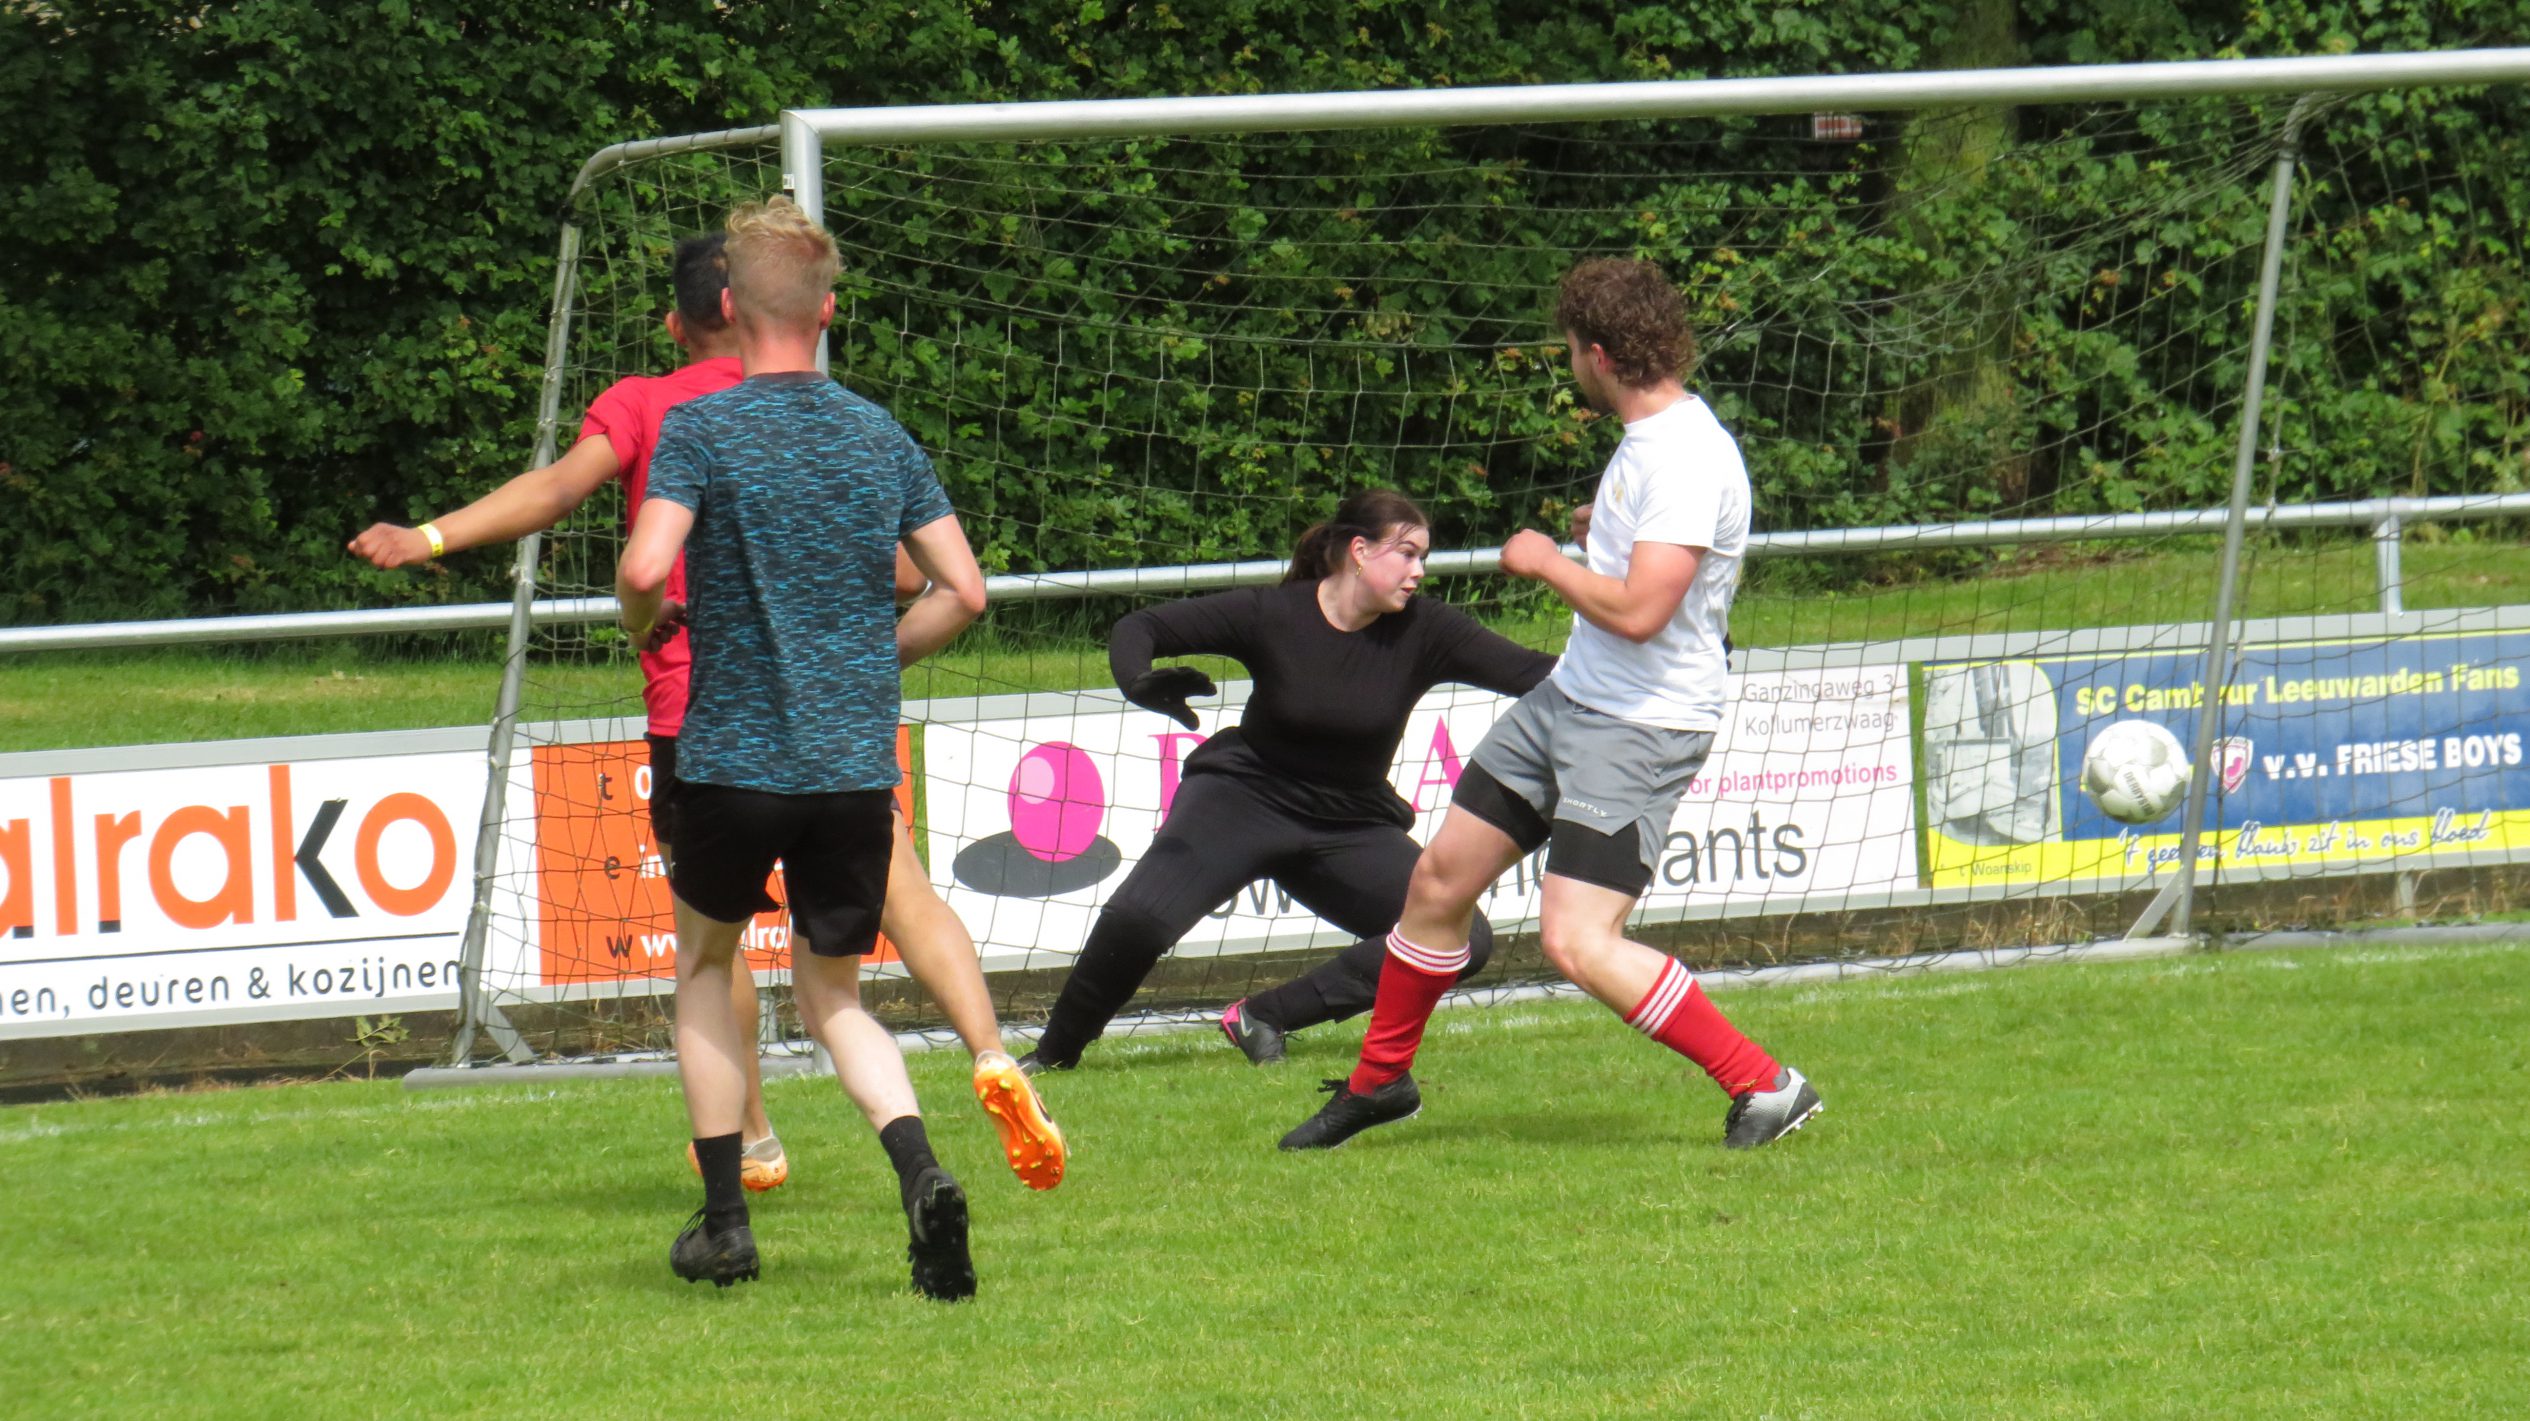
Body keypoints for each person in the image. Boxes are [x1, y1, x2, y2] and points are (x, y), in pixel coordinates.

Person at [347, 233, 1060, 1202]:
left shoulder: (663, 410)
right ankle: (988, 1052)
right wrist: (856, 649)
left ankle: (749, 1139)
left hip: (711, 719)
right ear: (819, 308)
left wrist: (431, 535)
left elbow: (562, 496)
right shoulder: (858, 425)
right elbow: (918, 576)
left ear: (687, 318)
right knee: (896, 915)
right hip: (840, 721)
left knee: (710, 952)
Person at [1280, 259, 1821, 1153]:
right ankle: (1380, 1082)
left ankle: (1767, 1083)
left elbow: (1643, 614)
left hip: (1640, 724)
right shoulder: (1650, 442)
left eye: (1571, 349)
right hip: (1571, 697)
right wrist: (1600, 536)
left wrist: (1546, 562)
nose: (1570, 364)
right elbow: (1649, 571)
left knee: (1578, 940)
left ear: (1598, 354)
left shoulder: (1685, 459)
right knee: (1438, 881)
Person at [615, 195, 1023, 1296]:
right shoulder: (877, 432)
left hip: (731, 762)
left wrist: (640, 619)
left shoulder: (701, 428)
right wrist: (872, 662)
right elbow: (964, 589)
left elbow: (647, 568)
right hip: (850, 766)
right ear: (829, 310)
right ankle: (921, 1170)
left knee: (706, 967)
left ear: (730, 305)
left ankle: (725, 1222)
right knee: (834, 996)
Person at [1020, 488, 1555, 1076]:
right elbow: (1140, 626)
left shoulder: (1428, 628)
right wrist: (1138, 681)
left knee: (1460, 939)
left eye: (1423, 557)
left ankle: (1265, 1016)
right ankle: (1052, 1055)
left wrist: (1607, 609)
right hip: (1240, 801)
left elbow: (1538, 674)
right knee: (1139, 920)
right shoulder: (1275, 612)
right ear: (1359, 551)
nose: (1419, 572)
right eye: (1407, 554)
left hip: (1349, 822)